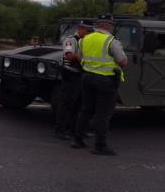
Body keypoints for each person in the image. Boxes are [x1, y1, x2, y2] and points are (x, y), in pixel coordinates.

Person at [71, 15, 127, 155]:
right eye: (112, 25)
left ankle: (78, 140)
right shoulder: (111, 41)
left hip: (87, 77)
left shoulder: (85, 39)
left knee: (85, 110)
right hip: (106, 81)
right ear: (108, 26)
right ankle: (100, 145)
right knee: (103, 114)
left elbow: (78, 57)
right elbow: (122, 61)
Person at [54, 21, 93, 140]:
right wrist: (84, 59)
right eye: (88, 31)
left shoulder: (84, 41)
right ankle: (60, 129)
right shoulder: (71, 40)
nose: (89, 34)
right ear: (81, 29)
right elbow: (69, 55)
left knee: (80, 104)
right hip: (71, 74)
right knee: (66, 103)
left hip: (81, 75)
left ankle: (76, 129)